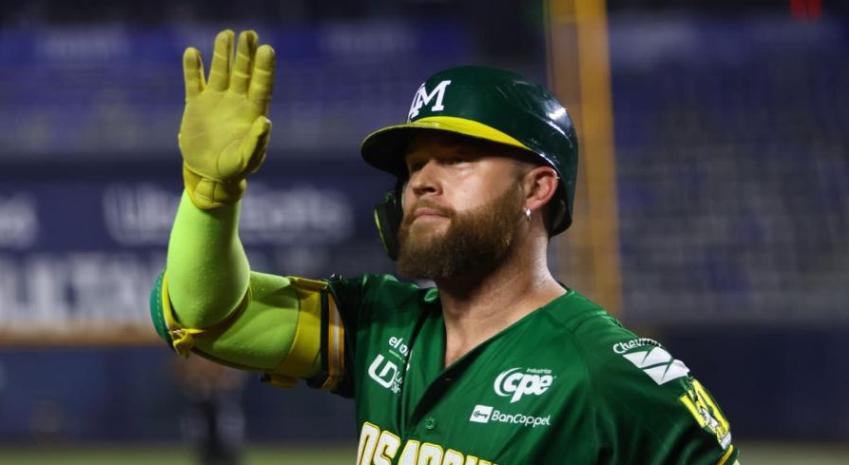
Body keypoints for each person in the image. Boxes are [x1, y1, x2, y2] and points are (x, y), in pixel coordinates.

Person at [149, 29, 740, 465]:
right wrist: (210, 196)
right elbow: (206, 316)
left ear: (537, 188)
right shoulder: (379, 324)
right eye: (414, 165)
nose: (422, 182)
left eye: (456, 160)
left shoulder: (609, 377)